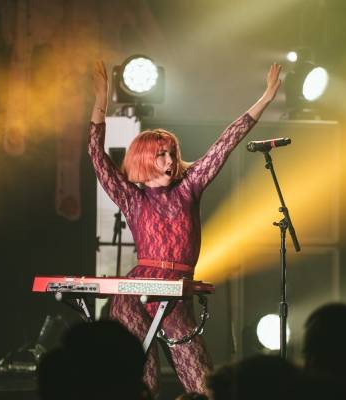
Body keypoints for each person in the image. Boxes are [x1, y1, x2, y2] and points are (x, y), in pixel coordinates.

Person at [88, 59, 282, 395]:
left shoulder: (189, 186)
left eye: (172, 153)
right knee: (144, 382)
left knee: (204, 386)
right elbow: (96, 154)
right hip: (135, 294)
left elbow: (226, 142)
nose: (170, 160)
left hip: (176, 293)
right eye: (161, 155)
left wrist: (265, 98)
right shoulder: (132, 198)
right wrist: (101, 102)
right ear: (145, 159)